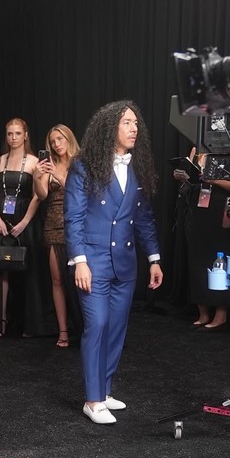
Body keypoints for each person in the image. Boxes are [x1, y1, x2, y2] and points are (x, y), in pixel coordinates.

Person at [64, 100, 162, 424]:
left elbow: (143, 218)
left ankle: (104, 391)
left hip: (125, 262)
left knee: (116, 329)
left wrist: (154, 258)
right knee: (98, 325)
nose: (134, 129)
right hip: (93, 262)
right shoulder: (84, 166)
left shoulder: (137, 168)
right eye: (126, 123)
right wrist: (79, 260)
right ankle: (92, 400)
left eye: (136, 123)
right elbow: (74, 217)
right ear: (110, 128)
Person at [0, 118, 52, 337]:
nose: (14, 138)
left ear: (25, 135)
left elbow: (38, 196)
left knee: (28, 272)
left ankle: (29, 325)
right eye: (10, 134)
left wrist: (25, 221)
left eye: (18, 133)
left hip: (25, 221)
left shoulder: (35, 162)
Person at [172, 146, 230, 329]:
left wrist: (214, 180)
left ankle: (221, 314)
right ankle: (203, 312)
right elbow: (193, 183)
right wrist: (184, 178)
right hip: (199, 209)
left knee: (221, 258)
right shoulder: (198, 152)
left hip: (222, 209)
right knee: (198, 259)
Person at [33, 124, 82, 347]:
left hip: (78, 226)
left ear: (68, 138)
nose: (56, 144)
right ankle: (63, 330)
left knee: (79, 280)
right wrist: (37, 178)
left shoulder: (80, 162)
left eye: (60, 139)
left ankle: (85, 327)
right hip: (53, 225)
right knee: (57, 280)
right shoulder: (49, 163)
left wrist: (59, 177)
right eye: (52, 141)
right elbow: (42, 195)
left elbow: (81, 193)